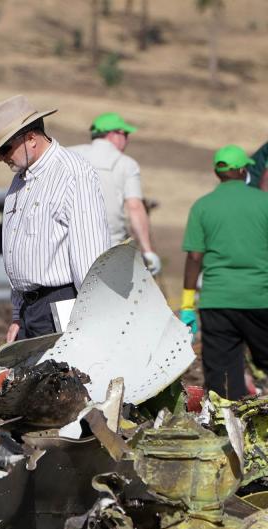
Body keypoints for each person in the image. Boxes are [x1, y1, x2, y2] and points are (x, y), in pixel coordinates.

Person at [0, 95, 110, 341]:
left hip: (64, 304)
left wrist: (93, 317)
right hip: (31, 309)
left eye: (4, 148)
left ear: (31, 138)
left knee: (65, 377)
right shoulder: (20, 180)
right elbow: (17, 249)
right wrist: (18, 315)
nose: (0, 158)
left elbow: (90, 254)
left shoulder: (73, 174)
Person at [179, 144, 268, 400]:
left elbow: (194, 257)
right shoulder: (264, 203)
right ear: (242, 170)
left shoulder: (202, 206)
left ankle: (228, 430)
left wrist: (187, 306)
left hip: (217, 303)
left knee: (224, 376)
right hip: (260, 299)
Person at [68, 112, 161, 274]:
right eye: (125, 134)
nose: (127, 139)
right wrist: (148, 251)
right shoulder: (126, 164)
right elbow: (134, 207)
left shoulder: (69, 155)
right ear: (114, 134)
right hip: (110, 247)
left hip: (70, 247)